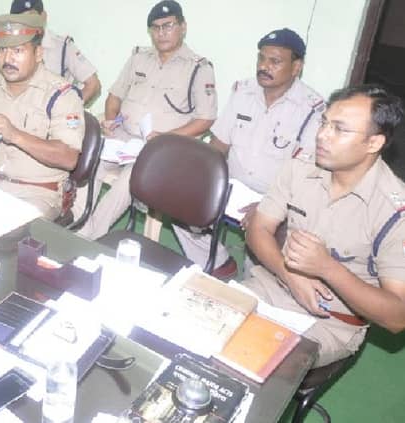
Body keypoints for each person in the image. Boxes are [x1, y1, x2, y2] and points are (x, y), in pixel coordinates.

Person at [245, 84, 405, 368]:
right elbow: (258, 228)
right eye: (324, 123)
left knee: (252, 359)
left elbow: (397, 317)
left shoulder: (394, 212)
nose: (322, 135)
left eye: (339, 129)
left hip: (329, 323)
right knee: (196, 318)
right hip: (269, 287)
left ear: (374, 143)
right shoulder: (301, 167)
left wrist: (327, 268)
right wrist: (289, 275)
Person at [172, 28, 325, 278]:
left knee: (261, 264)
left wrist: (269, 205)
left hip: (276, 198)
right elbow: (218, 145)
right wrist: (198, 178)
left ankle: (254, 279)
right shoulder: (243, 91)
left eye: (275, 61)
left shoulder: (312, 109)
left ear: (296, 67)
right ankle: (219, 262)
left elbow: (305, 176)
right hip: (231, 187)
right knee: (177, 195)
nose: (264, 66)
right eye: (261, 58)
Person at [76, 0, 217, 240]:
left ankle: (89, 237)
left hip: (160, 147)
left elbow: (205, 119)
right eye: (156, 27)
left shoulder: (198, 68)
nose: (161, 33)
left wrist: (166, 138)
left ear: (183, 27)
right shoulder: (139, 58)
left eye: (168, 26)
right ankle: (77, 223)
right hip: (122, 137)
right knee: (91, 161)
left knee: (130, 179)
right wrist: (110, 120)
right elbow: (114, 96)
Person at [0, 13, 85, 220]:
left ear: (38, 54)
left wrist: (14, 135)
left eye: (17, 50)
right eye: (2, 50)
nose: (7, 59)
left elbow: (69, 158)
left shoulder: (62, 95)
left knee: (8, 229)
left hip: (37, 193)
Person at [0, 0, 102, 105]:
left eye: (32, 17)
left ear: (44, 16)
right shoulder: (6, 50)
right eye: (21, 20)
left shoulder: (62, 46)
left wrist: (69, 110)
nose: (28, 24)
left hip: (51, 117)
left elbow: (93, 84)